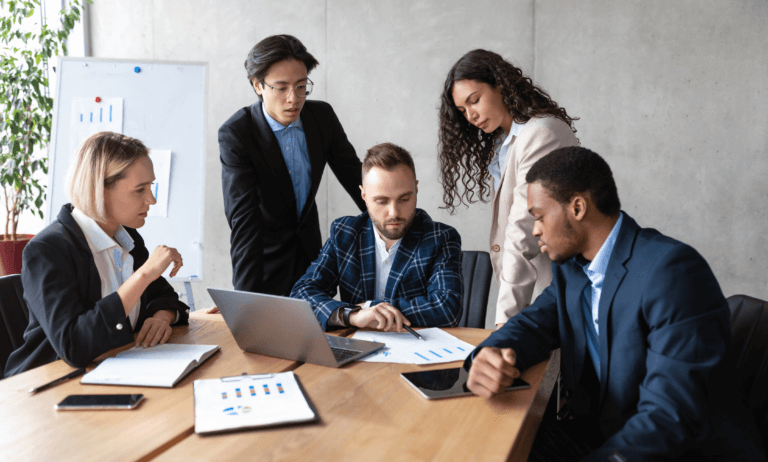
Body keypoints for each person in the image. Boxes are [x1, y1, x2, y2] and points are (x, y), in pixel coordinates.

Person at [465, 146, 765, 461]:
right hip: (601, 437)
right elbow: (534, 323)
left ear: (577, 207)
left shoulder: (673, 272)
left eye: (539, 217)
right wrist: (491, 354)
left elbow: (670, 418)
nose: (535, 230)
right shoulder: (573, 266)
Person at [4, 132, 189, 377]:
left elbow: (164, 297)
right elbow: (74, 347)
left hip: (114, 369)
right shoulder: (48, 251)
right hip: (47, 384)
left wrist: (162, 317)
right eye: (140, 190)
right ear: (99, 190)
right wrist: (143, 275)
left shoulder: (128, 237)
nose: (151, 200)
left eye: (151, 186)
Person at [438, 49, 579, 326]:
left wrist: (505, 322)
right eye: (463, 110)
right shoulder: (508, 142)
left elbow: (522, 231)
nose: (471, 115)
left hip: (551, 293)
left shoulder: (540, 135)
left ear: (500, 85)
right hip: (536, 297)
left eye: (474, 100)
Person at [219, 34, 366, 297]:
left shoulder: (322, 118)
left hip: (313, 262)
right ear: (258, 85)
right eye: (281, 87)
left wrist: (398, 231)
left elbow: (359, 183)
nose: (293, 98)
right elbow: (244, 221)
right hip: (264, 269)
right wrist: (245, 302)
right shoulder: (238, 133)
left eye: (301, 86)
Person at [291, 143, 462, 332]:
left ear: (416, 189)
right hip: (358, 350)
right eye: (381, 201)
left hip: (414, 352)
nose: (394, 212)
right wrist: (353, 315)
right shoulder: (344, 233)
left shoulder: (441, 238)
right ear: (364, 195)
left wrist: (369, 307)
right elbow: (302, 294)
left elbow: (447, 308)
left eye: (404, 199)